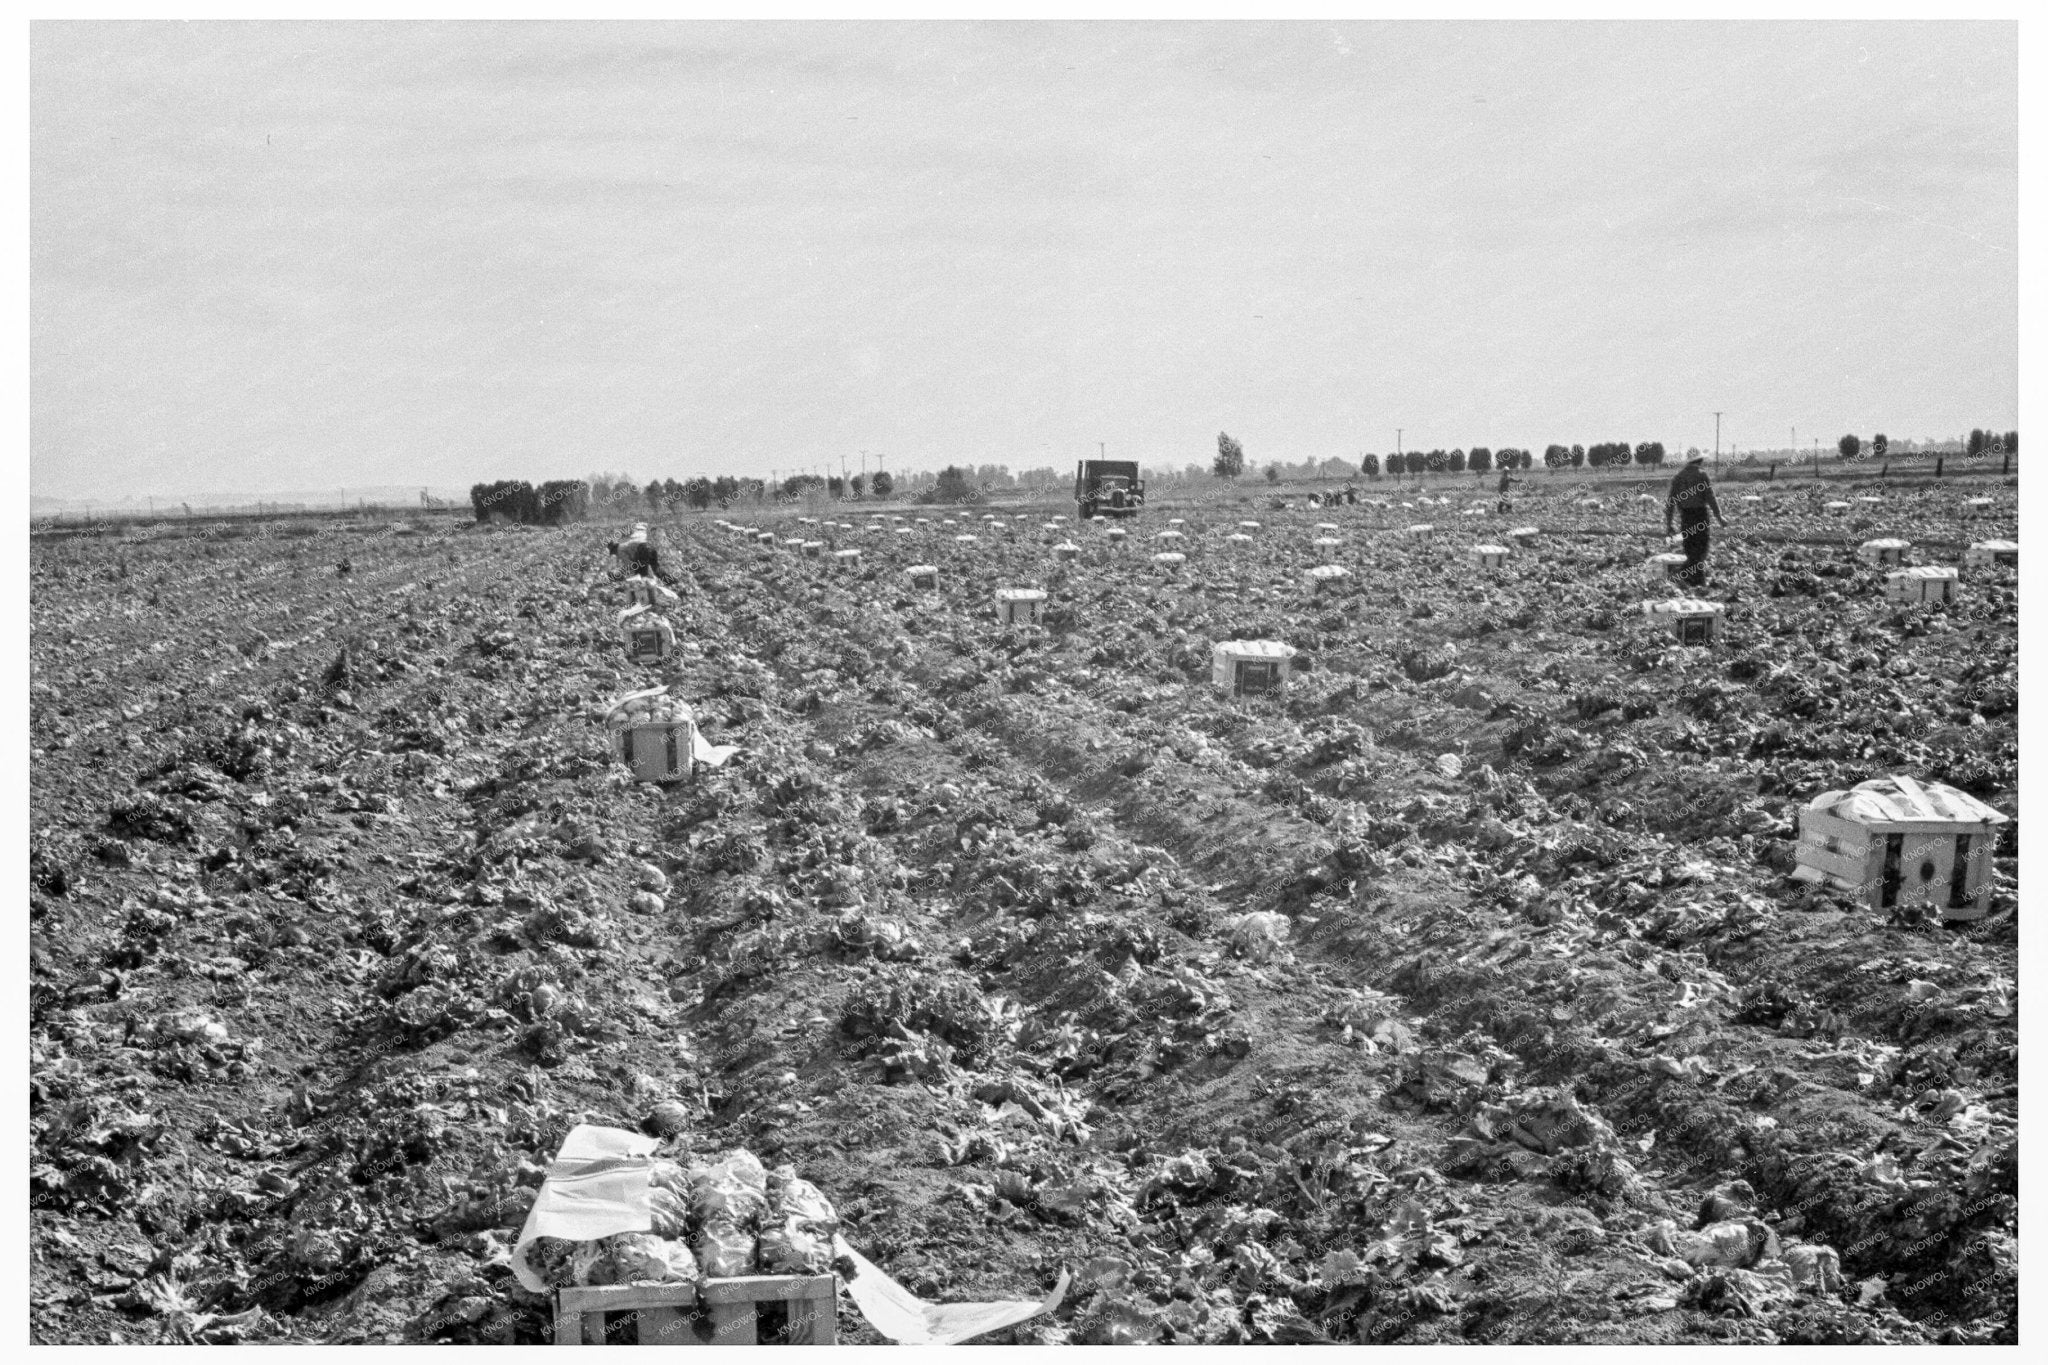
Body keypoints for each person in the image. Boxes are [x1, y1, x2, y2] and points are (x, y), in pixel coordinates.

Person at [1665, 454, 1727, 588]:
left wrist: (1669, 525)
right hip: (1700, 516)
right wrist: (1719, 517)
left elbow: (1670, 503)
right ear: (1700, 461)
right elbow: (1710, 497)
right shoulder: (1701, 475)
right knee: (1701, 549)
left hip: (1686, 517)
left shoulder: (1678, 477)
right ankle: (1691, 578)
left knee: (1690, 548)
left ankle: (1692, 579)